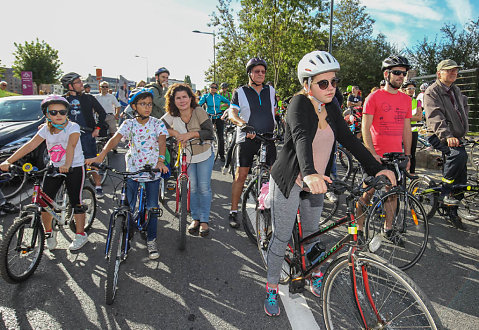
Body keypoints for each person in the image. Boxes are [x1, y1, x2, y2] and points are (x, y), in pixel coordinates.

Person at [263, 50, 395, 316]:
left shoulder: (333, 105)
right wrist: (309, 173)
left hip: (318, 181)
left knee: (313, 234)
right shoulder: (298, 104)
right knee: (281, 236)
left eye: (334, 81)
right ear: (307, 84)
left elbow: (350, 140)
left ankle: (314, 275)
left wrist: (379, 168)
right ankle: (271, 287)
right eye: (323, 83)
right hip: (292, 178)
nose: (331, 87)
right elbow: (300, 137)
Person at [86, 88, 169, 259]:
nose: (147, 107)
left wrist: (160, 161)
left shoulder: (157, 123)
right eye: (143, 104)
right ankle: (126, 238)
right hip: (132, 170)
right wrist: (100, 156)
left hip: (152, 171)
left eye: (149, 104)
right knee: (128, 207)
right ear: (134, 106)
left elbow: (162, 143)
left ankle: (151, 240)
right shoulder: (129, 124)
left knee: (152, 208)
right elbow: (115, 139)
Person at [0, 95, 89, 250]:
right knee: (45, 202)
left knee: (76, 202)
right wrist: (9, 161)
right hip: (54, 166)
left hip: (74, 166)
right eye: (53, 112)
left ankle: (81, 235)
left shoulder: (72, 126)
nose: (58, 115)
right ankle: (49, 233)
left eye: (62, 111)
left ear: (67, 112)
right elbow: (30, 145)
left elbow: (71, 145)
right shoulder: (46, 129)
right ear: (47, 114)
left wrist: (67, 164)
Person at [359, 55, 412, 241]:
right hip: (376, 154)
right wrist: (371, 153)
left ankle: (388, 229)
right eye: (397, 73)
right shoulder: (373, 97)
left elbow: (407, 128)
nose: (401, 77)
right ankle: (358, 228)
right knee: (368, 193)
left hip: (395, 155)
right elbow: (365, 127)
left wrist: (408, 155)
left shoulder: (406, 100)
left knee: (392, 194)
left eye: (404, 74)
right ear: (386, 74)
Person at [226, 57, 277, 228]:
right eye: (257, 71)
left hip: (268, 137)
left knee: (274, 175)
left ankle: (273, 208)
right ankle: (233, 211)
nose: (261, 74)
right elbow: (233, 113)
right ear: (250, 73)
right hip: (248, 137)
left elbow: (274, 111)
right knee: (241, 175)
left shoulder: (271, 90)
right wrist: (243, 124)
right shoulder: (240, 91)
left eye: (263, 71)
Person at [162, 83, 215, 236]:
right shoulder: (172, 114)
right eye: (178, 98)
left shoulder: (198, 111)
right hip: (188, 156)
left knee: (203, 187)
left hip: (204, 153)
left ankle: (204, 220)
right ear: (173, 100)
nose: (182, 100)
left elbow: (209, 132)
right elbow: (158, 126)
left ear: (191, 98)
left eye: (185, 96)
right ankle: (195, 218)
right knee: (192, 187)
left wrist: (189, 135)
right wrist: (173, 132)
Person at [424, 59, 469, 229]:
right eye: (449, 70)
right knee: (457, 155)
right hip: (438, 135)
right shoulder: (432, 92)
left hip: (456, 137)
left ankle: (452, 211)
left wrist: (463, 132)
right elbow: (435, 116)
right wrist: (447, 135)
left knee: (462, 177)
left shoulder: (455, 90)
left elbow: (462, 112)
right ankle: (444, 192)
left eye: (455, 71)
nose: (453, 73)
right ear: (439, 73)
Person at [60, 72, 107, 198]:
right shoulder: (63, 100)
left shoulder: (89, 98)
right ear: (70, 86)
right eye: (78, 82)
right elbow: (52, 115)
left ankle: (98, 186)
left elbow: (102, 113)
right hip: (69, 135)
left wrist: (97, 128)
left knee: (92, 160)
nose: (82, 84)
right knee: (70, 162)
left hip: (86, 134)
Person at [198, 82, 230, 162]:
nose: (214, 89)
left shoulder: (219, 96)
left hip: (219, 117)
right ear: (209, 88)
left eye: (215, 88)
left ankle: (221, 155)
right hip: (209, 117)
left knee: (221, 137)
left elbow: (229, 102)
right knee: (206, 134)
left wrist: (226, 108)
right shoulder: (206, 96)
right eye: (212, 87)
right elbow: (199, 105)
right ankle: (204, 152)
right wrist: (201, 113)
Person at [401, 80, 423, 174]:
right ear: (404, 90)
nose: (411, 90)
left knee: (412, 154)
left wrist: (406, 117)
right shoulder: (400, 101)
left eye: (413, 88)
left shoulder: (417, 102)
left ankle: (412, 173)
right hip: (401, 130)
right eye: (409, 88)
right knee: (400, 153)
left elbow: (419, 117)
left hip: (413, 130)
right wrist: (411, 118)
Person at [95, 81, 121, 150]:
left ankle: (114, 147)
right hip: (100, 117)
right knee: (97, 132)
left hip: (110, 116)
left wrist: (116, 115)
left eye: (106, 87)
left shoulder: (111, 97)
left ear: (108, 88)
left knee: (113, 132)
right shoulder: (96, 97)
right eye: (103, 87)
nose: (104, 88)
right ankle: (98, 146)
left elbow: (118, 106)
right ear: (100, 88)